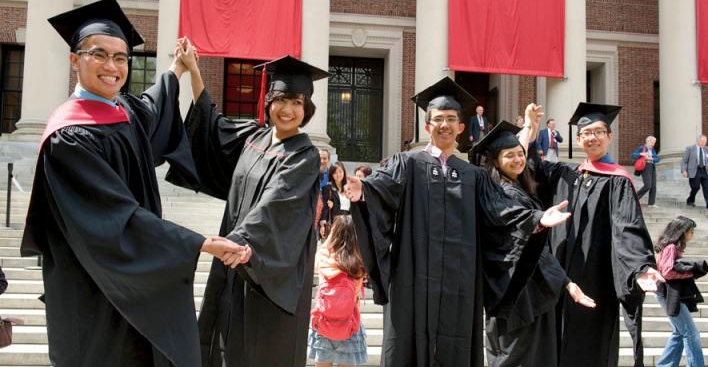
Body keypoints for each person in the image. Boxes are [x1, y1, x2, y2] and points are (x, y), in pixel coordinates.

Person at [20, 0, 245, 367]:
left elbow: (154, 106)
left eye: (121, 57)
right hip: (96, 290)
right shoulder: (69, 137)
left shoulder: (122, 112)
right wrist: (198, 243)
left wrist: (179, 67)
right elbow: (114, 218)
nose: (112, 66)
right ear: (74, 60)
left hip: (134, 284)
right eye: (99, 54)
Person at [344, 77, 572, 367]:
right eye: (438, 119)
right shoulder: (407, 163)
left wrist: (536, 218)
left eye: (452, 119)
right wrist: (363, 192)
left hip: (460, 280)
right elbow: (381, 188)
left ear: (461, 128)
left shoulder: (473, 175)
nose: (445, 125)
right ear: (427, 127)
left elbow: (500, 211)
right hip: (413, 276)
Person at [170, 43, 328, 366]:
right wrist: (194, 72)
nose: (287, 109)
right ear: (269, 101)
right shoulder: (253, 138)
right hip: (232, 264)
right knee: (223, 341)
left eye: (296, 102)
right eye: (281, 99)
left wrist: (238, 243)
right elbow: (212, 128)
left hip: (266, 273)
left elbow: (277, 204)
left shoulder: (304, 156)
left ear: (306, 108)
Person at [530, 102, 664, 367]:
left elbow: (628, 228)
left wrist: (641, 267)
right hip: (561, 282)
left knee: (588, 349)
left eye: (598, 132)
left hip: (594, 283)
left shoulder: (618, 181)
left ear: (609, 136)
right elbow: (529, 166)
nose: (592, 137)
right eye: (586, 133)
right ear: (578, 139)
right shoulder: (566, 175)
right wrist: (531, 131)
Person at [469, 118, 595, 367]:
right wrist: (538, 219)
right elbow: (514, 227)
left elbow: (536, 250)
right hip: (514, 294)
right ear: (495, 160)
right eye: (509, 155)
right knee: (517, 358)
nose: (518, 160)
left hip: (533, 291)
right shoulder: (497, 192)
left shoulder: (518, 187)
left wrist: (565, 282)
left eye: (520, 154)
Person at [308, 215, 368, 367]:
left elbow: (319, 256)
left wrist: (331, 236)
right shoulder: (358, 262)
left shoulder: (323, 257)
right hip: (349, 322)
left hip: (324, 321)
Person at [654, 216, 705, 367]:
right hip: (668, 294)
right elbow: (667, 271)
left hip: (670, 294)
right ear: (682, 232)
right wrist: (690, 272)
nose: (692, 234)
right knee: (691, 332)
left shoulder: (672, 247)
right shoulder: (671, 247)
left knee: (679, 332)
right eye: (691, 231)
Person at [682, 135, 708, 210]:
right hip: (695, 170)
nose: (704, 143)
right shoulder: (690, 148)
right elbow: (684, 161)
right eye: (703, 141)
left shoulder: (707, 149)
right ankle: (690, 200)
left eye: (705, 142)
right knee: (696, 187)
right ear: (698, 141)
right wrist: (684, 170)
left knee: (707, 188)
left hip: (704, 170)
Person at [631, 136, 660, 207]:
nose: (653, 144)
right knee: (648, 185)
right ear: (647, 141)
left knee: (653, 186)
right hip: (645, 167)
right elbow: (633, 155)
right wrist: (641, 154)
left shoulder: (652, 150)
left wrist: (651, 158)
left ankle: (651, 203)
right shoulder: (642, 148)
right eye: (652, 143)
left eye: (654, 143)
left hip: (652, 167)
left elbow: (657, 159)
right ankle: (634, 198)